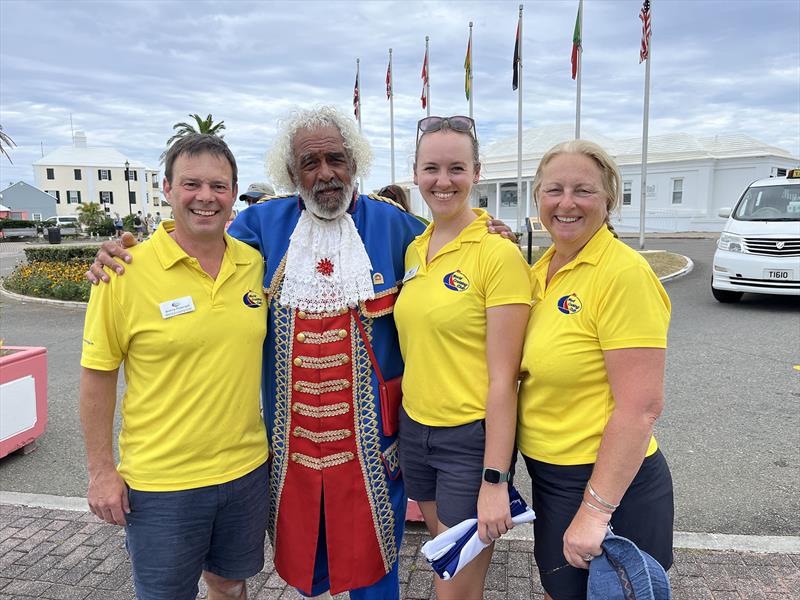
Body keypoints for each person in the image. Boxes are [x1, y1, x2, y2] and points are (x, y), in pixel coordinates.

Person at [85, 106, 515, 600]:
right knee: (293, 568)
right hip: (293, 454)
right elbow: (199, 241)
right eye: (310, 163)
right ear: (292, 173)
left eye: (336, 158)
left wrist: (488, 230)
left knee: (377, 574)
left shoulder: (397, 227)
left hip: (376, 450)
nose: (325, 172)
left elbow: (451, 238)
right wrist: (121, 254)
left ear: (355, 162)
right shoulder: (260, 228)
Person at [80, 134, 269, 600]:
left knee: (230, 585)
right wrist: (101, 471)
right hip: (162, 483)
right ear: (167, 188)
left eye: (219, 186)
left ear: (233, 193)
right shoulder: (124, 271)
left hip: (245, 472)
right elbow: (97, 376)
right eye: (191, 184)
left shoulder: (255, 264)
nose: (205, 197)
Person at [517, 140, 674, 600]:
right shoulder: (539, 271)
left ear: (608, 200)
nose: (566, 203)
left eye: (583, 190)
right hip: (551, 476)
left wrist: (594, 511)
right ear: (538, 200)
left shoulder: (623, 273)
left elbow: (641, 407)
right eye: (554, 190)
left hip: (608, 485)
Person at [393, 115, 531, 600]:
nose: (443, 180)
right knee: (446, 560)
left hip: (469, 442)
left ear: (476, 172)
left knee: (454, 588)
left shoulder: (498, 254)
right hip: (417, 430)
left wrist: (495, 479)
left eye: (457, 168)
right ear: (415, 173)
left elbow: (506, 378)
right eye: (431, 167)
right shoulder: (413, 249)